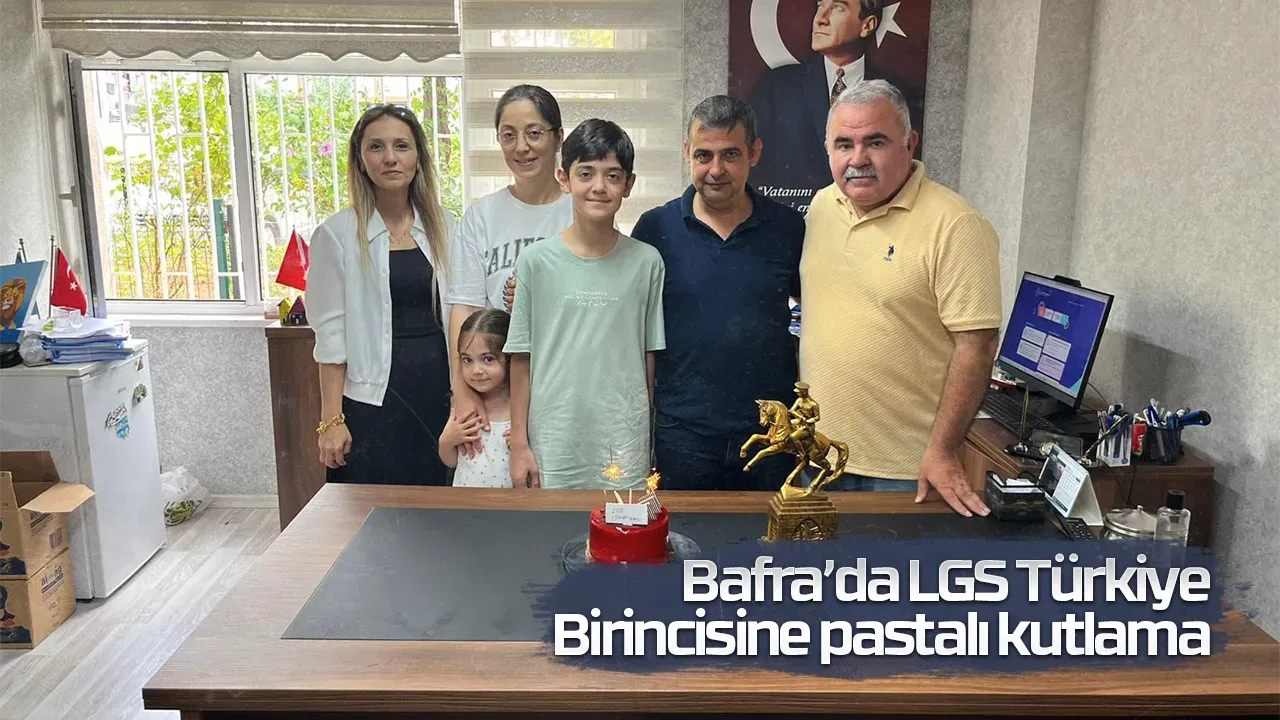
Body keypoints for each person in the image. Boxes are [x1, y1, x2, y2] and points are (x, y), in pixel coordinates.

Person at [800, 79, 1001, 516]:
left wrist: (943, 451)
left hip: (905, 470)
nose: (858, 159)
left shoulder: (957, 225)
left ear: (910, 144)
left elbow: (979, 346)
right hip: (819, 457)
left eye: (875, 142)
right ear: (828, 149)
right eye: (844, 144)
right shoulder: (821, 207)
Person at [628, 95, 804, 491]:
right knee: (684, 533)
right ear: (687, 153)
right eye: (703, 155)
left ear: (754, 153)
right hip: (682, 434)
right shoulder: (655, 229)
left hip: (771, 433)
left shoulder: (788, 228)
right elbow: (621, 311)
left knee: (769, 533)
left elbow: (824, 306)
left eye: (730, 154)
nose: (715, 170)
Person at [504, 119, 666, 490]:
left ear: (629, 184)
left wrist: (647, 441)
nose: (599, 187)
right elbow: (521, 357)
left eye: (613, 176)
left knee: (623, 526)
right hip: (553, 442)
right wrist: (520, 444)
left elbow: (648, 359)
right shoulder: (535, 262)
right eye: (586, 173)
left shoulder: (647, 262)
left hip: (624, 444)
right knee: (552, 526)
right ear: (564, 179)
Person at [307, 104, 455, 486]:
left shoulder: (445, 226)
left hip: (440, 396)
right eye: (376, 147)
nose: (390, 158)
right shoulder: (336, 234)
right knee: (369, 511)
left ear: (418, 157)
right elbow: (331, 335)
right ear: (360, 159)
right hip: (372, 402)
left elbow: (463, 313)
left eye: (401, 146)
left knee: (439, 508)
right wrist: (331, 420)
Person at [445, 85, 572, 451]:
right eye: (508, 135)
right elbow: (464, 308)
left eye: (534, 133)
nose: (521, 147)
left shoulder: (580, 211)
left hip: (562, 386)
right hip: (495, 397)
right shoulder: (481, 216)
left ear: (558, 137)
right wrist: (461, 389)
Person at [747, 0, 924, 204]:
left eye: (837, 8)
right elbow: (754, 168)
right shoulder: (776, 87)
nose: (820, 19)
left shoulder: (903, 94)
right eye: (820, 6)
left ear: (867, 25)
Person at [439, 309, 512, 487]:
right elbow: (451, 461)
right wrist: (447, 441)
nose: (476, 371)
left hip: (512, 501)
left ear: (509, 358)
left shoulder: (522, 407)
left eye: (488, 359)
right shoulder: (463, 408)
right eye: (467, 360)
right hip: (466, 500)